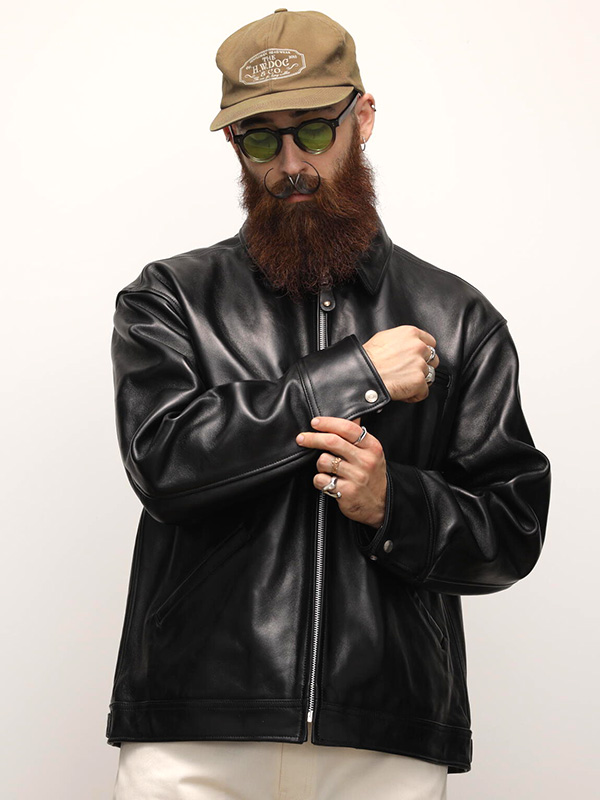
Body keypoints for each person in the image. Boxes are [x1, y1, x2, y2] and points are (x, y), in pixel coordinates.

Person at [106, 9, 551, 799]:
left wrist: (392, 502)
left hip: (383, 739)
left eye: (314, 131)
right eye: (260, 141)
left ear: (363, 117)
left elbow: (511, 530)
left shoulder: (458, 318)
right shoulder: (170, 298)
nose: (291, 165)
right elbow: (164, 465)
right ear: (233, 143)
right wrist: (356, 376)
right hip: (196, 733)